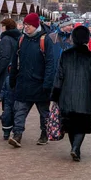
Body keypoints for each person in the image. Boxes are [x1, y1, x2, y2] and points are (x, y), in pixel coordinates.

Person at [51, 26, 91, 161]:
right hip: (84, 96)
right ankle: (76, 148)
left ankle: (74, 148)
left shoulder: (65, 55)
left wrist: (55, 95)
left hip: (66, 94)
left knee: (70, 123)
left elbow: (59, 76)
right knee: (82, 123)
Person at [8, 13, 55, 148]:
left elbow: (50, 64)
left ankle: (44, 134)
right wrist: (12, 79)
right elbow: (15, 60)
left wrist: (47, 83)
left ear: (36, 25)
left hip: (40, 84)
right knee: (19, 111)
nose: (26, 27)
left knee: (44, 113)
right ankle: (17, 135)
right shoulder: (21, 39)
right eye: (25, 24)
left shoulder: (45, 40)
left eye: (28, 25)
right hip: (23, 83)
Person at [0, 18, 21, 139]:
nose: (1, 28)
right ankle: (7, 114)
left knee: (6, 94)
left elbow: (5, 56)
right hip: (11, 69)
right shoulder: (16, 37)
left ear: (6, 27)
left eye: (2, 26)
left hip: (5, 71)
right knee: (9, 94)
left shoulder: (6, 39)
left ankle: (6, 116)